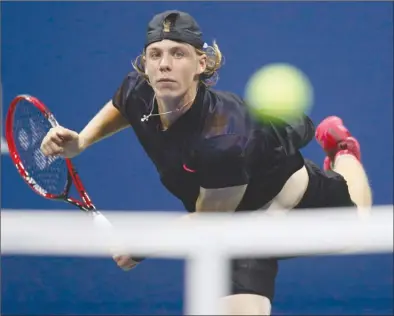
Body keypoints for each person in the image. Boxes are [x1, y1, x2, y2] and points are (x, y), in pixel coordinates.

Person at [40, 10, 373, 316]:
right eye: (155, 55)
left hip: (286, 202)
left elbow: (209, 221)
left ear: (201, 63)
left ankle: (343, 150)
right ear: (144, 63)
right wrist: (81, 140)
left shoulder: (223, 139)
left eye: (178, 53)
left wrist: (141, 245)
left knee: (358, 226)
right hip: (233, 229)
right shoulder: (137, 89)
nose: (164, 64)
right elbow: (122, 105)